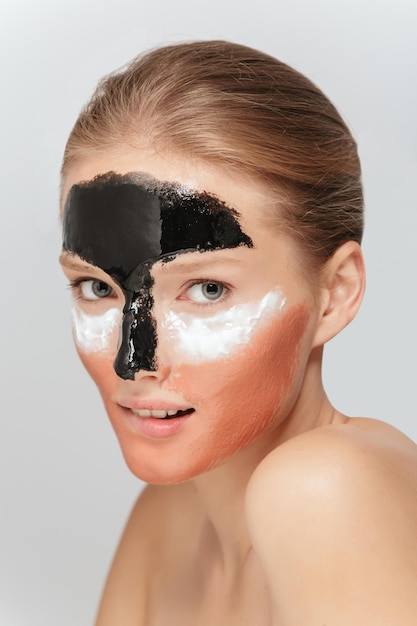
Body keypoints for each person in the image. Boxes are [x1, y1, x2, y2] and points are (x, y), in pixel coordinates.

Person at [59, 40, 417, 625]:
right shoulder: (167, 519)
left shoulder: (325, 489)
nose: (134, 362)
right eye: (100, 288)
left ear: (337, 292)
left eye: (206, 289)